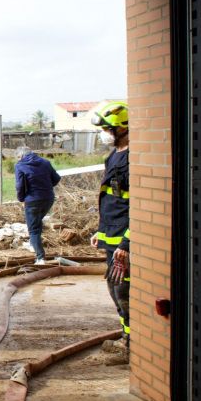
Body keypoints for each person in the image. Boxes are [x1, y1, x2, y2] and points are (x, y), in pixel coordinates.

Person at [90, 101, 131, 361]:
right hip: (111, 235)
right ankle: (127, 337)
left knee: (124, 293)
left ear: (122, 127)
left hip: (123, 242)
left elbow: (140, 205)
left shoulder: (132, 159)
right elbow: (112, 200)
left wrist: (127, 244)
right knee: (114, 289)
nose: (103, 133)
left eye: (107, 127)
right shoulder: (114, 155)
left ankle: (132, 346)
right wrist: (100, 230)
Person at [14, 146, 61, 265]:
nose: (18, 160)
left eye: (18, 157)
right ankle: (33, 244)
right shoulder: (45, 162)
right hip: (48, 198)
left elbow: (19, 186)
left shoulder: (20, 165)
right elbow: (56, 179)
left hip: (32, 200)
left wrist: (21, 198)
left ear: (21, 156)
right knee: (37, 223)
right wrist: (46, 187)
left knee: (33, 229)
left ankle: (40, 258)